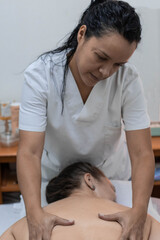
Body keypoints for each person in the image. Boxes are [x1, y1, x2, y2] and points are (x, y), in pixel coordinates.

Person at [17, 0, 155, 239]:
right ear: (82, 34)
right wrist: (34, 213)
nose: (106, 72)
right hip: (57, 183)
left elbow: (142, 153)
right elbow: (29, 152)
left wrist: (140, 211)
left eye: (118, 64)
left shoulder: (128, 80)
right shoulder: (40, 76)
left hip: (109, 179)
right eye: (101, 57)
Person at [1, 162, 160, 240]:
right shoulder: (138, 220)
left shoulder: (29, 225)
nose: (115, 195)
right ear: (89, 179)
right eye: (113, 188)